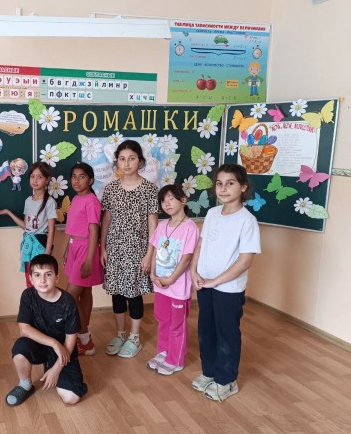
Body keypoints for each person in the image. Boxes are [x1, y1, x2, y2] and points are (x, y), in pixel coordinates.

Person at [191, 163, 261, 402]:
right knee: (206, 331)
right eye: (219, 183)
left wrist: (216, 281)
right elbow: (200, 245)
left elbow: (245, 261)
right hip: (205, 284)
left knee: (227, 334)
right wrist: (193, 271)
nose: (223, 188)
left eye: (230, 183)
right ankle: (210, 372)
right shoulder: (212, 213)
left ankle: (226, 380)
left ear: (243, 187)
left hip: (228, 289)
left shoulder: (247, 221)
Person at [101, 140, 159, 359]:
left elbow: (153, 224)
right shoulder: (111, 189)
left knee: (134, 294)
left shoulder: (149, 189)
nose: (126, 163)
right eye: (122, 159)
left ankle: (134, 337)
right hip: (114, 250)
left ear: (140, 161)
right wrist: (103, 248)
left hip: (138, 251)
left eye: (131, 158)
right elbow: (106, 220)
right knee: (117, 293)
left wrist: (149, 254)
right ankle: (120, 334)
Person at [5, 254, 88, 407]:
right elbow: (24, 329)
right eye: (37, 275)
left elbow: (70, 340)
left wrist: (56, 369)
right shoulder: (28, 296)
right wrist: (54, 343)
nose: (42, 280)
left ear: (56, 278)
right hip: (41, 345)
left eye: (48, 274)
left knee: (71, 398)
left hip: (64, 350)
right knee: (20, 348)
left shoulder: (68, 302)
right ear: (31, 279)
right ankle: (25, 385)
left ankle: (52, 366)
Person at [148, 184, 199, 375]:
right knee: (163, 320)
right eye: (163, 200)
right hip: (160, 285)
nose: (166, 203)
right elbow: (155, 251)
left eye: (171, 198)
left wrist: (171, 280)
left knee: (177, 324)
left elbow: (186, 258)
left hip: (178, 288)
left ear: (183, 200)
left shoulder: (190, 228)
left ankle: (175, 360)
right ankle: (164, 352)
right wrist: (153, 275)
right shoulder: (162, 225)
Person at [0, 162, 57, 287]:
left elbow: (52, 230)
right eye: (32, 176)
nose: (35, 180)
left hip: (40, 246)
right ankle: (31, 300)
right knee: (30, 280)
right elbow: (26, 227)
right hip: (28, 246)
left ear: (47, 179)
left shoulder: (49, 202)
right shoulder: (28, 201)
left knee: (41, 282)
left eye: (40, 177)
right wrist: (8, 213)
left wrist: (47, 254)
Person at [62, 163, 104, 356]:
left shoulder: (91, 201)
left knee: (70, 295)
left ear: (91, 180)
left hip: (86, 248)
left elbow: (94, 230)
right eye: (74, 176)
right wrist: (66, 249)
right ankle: (83, 337)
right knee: (84, 291)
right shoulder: (76, 198)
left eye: (82, 177)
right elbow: (74, 227)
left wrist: (89, 259)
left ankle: (85, 339)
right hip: (74, 246)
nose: (77, 180)